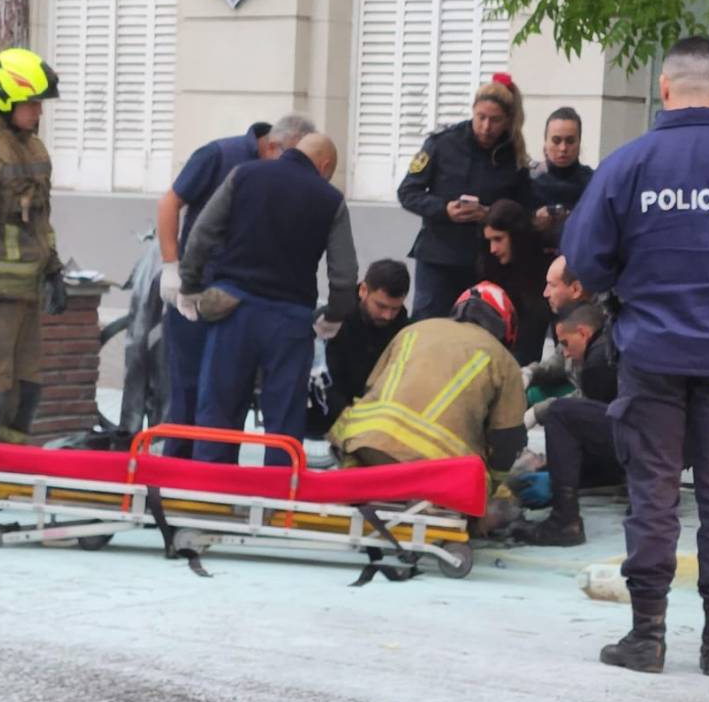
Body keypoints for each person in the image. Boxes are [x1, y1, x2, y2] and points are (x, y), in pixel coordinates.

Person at [564, 35, 709, 677]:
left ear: (664, 88)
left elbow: (585, 259)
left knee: (655, 490)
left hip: (653, 351)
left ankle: (648, 635)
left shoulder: (629, 162)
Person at [179, 133, 358, 464]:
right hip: (291, 321)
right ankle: (277, 504)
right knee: (284, 421)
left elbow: (201, 234)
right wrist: (334, 315)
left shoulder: (245, 174)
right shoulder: (330, 199)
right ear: (326, 164)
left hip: (233, 310)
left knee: (219, 409)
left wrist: (189, 286)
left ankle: (209, 496)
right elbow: (345, 275)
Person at [157, 113, 314, 457]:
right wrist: (171, 265)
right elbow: (171, 202)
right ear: (274, 146)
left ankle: (221, 484)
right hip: (197, 289)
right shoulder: (218, 156)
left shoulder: (282, 180)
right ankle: (177, 481)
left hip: (241, 299)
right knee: (188, 387)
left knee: (226, 396)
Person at [0, 48, 64, 447]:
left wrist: (53, 268)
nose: (38, 112)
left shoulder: (33, 147)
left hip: (28, 293)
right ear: (5, 98)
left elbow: (41, 219)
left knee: (26, 385)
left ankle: (9, 468)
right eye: (32, 103)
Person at [329, 282, 526, 477]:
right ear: (505, 328)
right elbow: (506, 439)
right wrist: (497, 486)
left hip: (366, 442)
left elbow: (371, 387)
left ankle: (352, 474)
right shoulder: (504, 360)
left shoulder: (413, 330)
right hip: (437, 468)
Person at [397, 73, 531, 321]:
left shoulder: (514, 156)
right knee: (430, 328)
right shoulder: (442, 143)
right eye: (481, 117)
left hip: (487, 260)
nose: (486, 127)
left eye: (495, 120)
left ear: (508, 120)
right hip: (439, 257)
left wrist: (490, 214)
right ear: (473, 111)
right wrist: (444, 209)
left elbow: (524, 211)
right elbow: (407, 192)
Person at [511, 302, 620, 547]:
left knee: (560, 414)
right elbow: (560, 362)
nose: (565, 351)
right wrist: (530, 373)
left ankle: (564, 521)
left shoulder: (599, 361)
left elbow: (586, 413)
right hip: (669, 433)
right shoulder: (604, 336)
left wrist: (536, 415)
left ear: (583, 333)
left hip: (643, 442)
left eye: (566, 344)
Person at [305, 258, 411, 436]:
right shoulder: (331, 322)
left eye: (395, 309)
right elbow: (319, 379)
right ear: (363, 290)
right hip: (321, 418)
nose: (387, 316)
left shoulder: (405, 332)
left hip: (373, 424)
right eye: (381, 306)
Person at [478, 199, 552, 366]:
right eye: (490, 240)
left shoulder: (547, 265)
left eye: (498, 239)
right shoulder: (489, 266)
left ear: (516, 235)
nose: (493, 249)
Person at [522, 255, 593, 412]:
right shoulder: (570, 316)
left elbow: (593, 395)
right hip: (574, 386)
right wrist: (530, 373)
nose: (545, 293)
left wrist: (540, 412)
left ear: (575, 289)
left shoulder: (601, 328)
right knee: (531, 392)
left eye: (552, 285)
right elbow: (560, 359)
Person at [530, 107, 594, 246]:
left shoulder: (593, 183)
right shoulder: (528, 182)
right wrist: (532, 221)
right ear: (545, 142)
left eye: (570, 141)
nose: (563, 148)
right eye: (556, 140)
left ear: (579, 142)